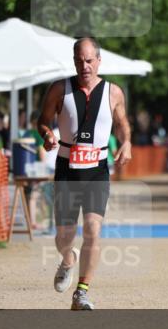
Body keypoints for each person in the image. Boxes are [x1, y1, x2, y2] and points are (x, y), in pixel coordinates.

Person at [37, 36, 132, 311]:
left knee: (92, 229)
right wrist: (46, 135)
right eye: (79, 61)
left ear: (99, 60)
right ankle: (68, 260)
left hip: (97, 170)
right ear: (74, 61)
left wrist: (126, 142)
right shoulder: (59, 89)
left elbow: (122, 123)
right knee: (63, 237)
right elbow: (42, 121)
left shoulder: (113, 92)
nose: (84, 66)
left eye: (89, 60)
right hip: (67, 168)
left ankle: (81, 292)